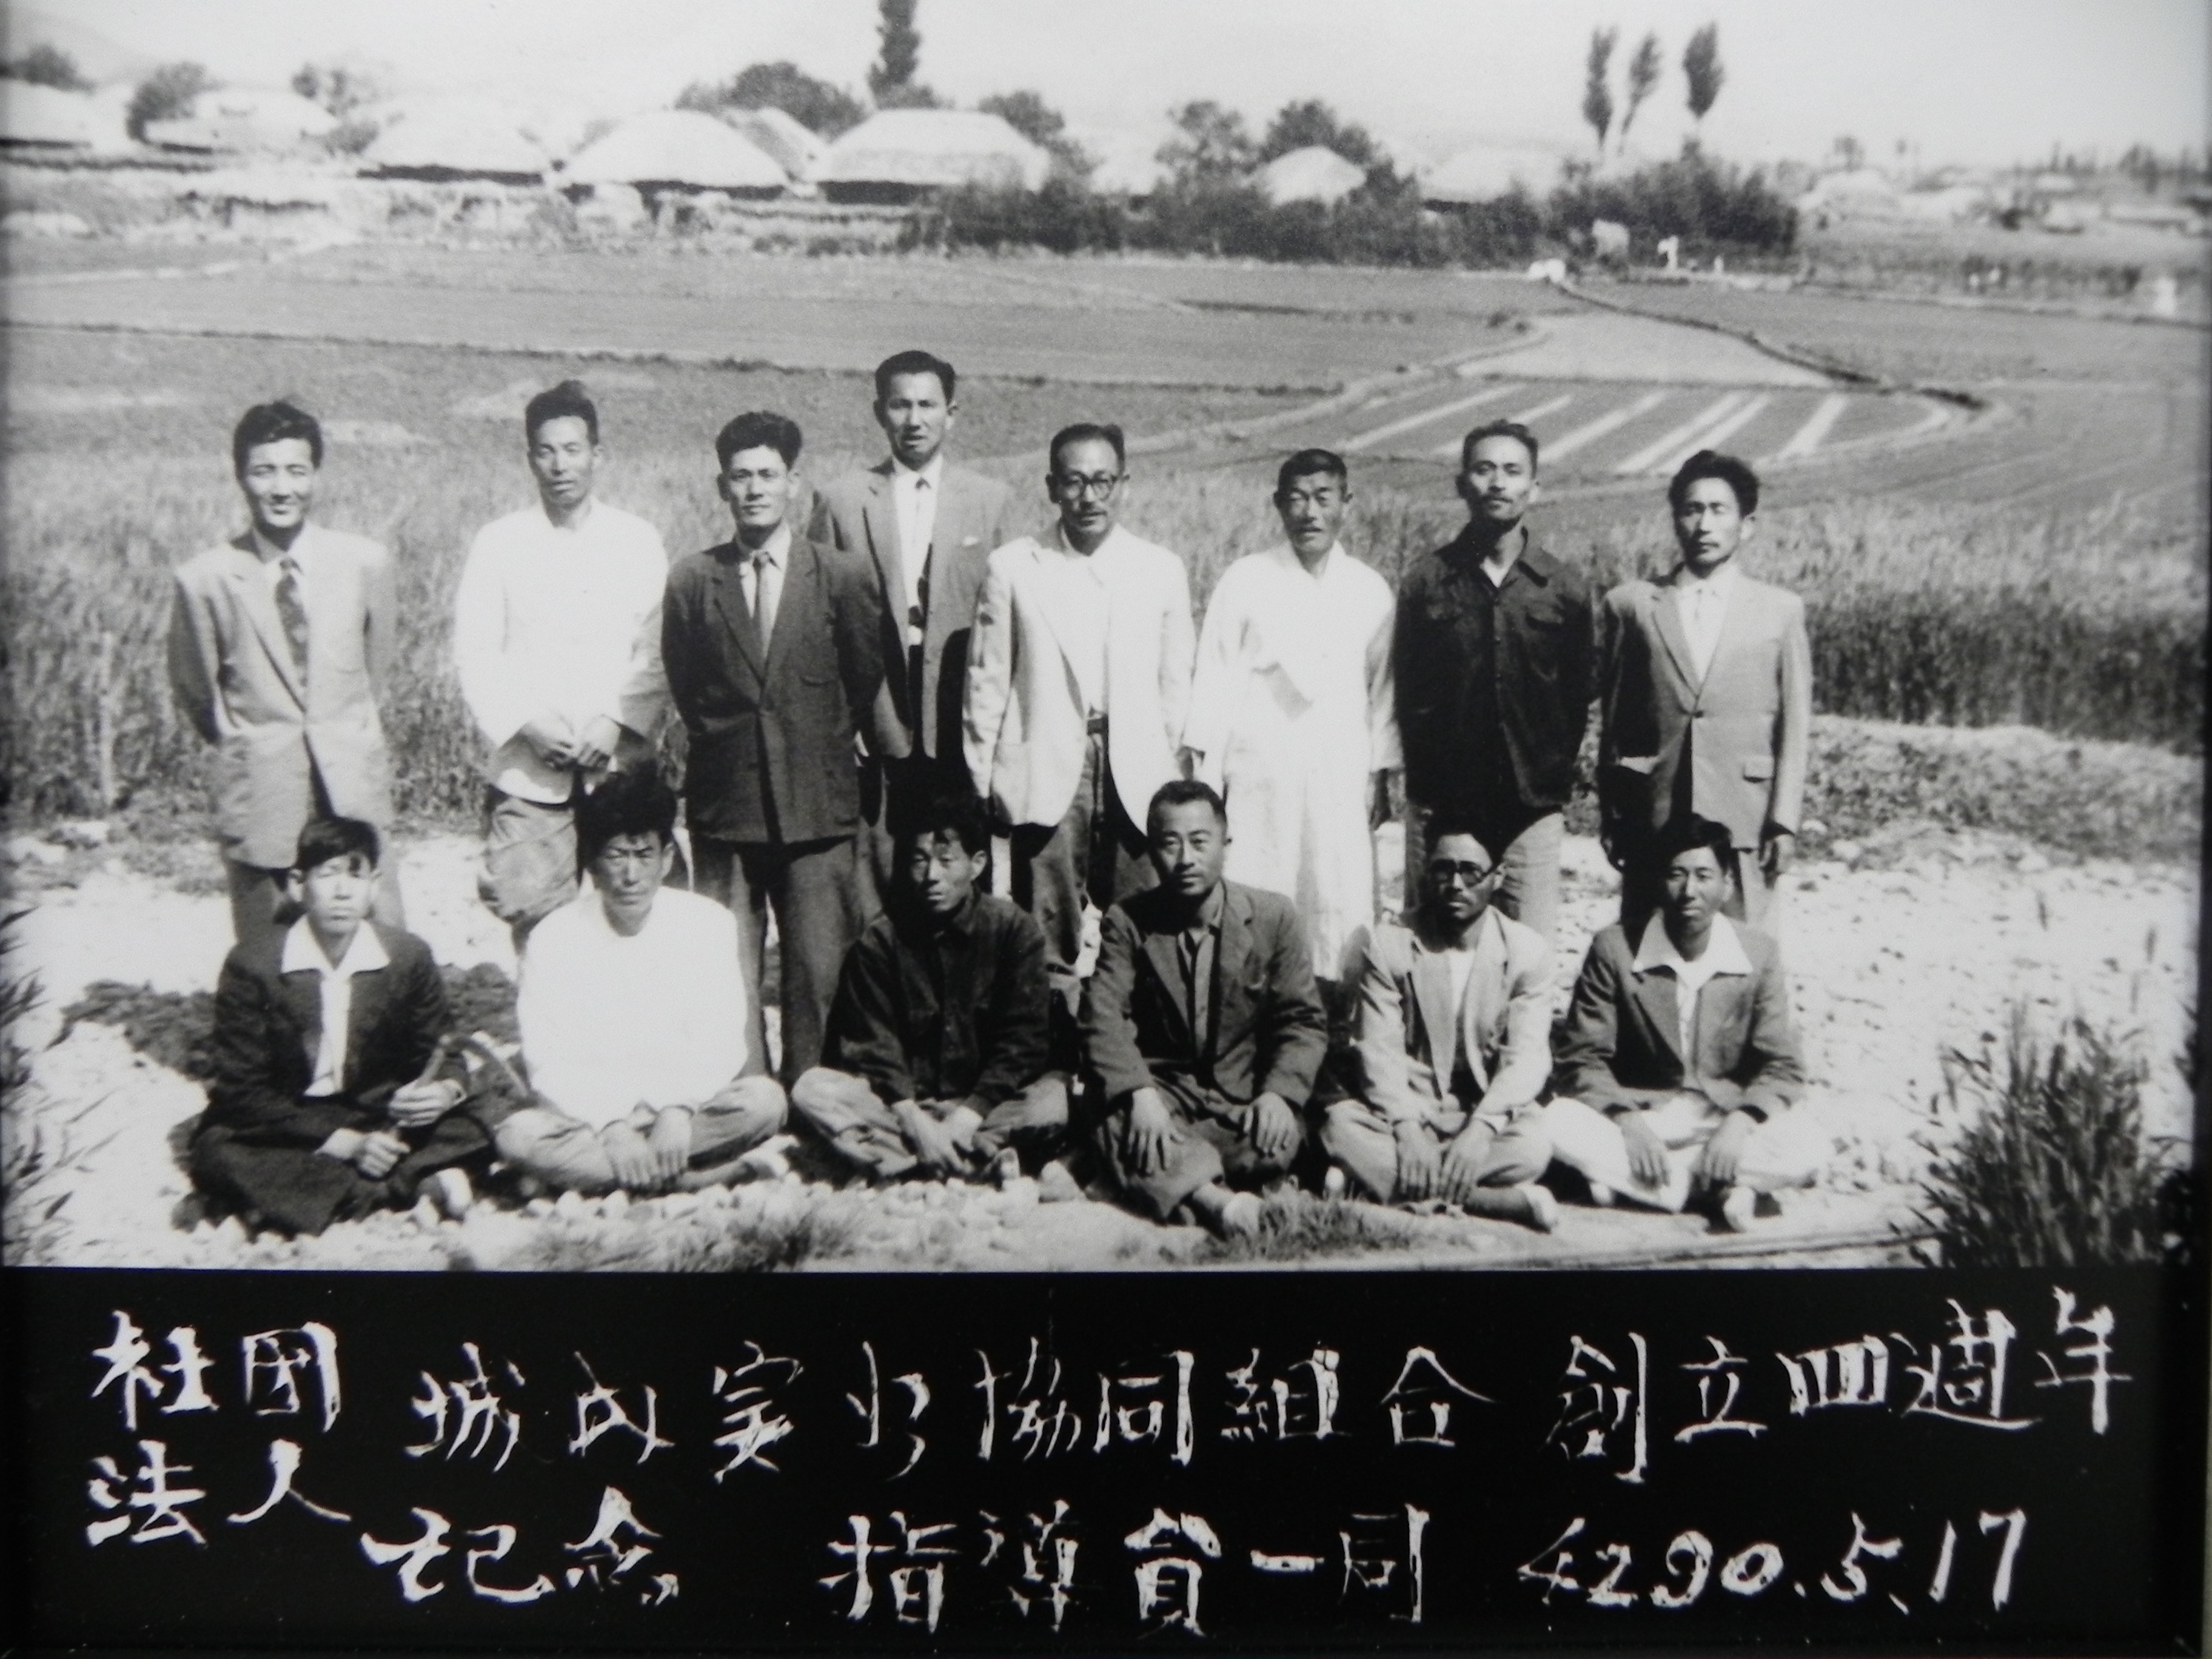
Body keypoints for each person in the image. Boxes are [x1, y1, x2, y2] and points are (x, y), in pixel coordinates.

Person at [662, 411, 891, 1082]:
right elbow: (688, 685)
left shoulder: (841, 576)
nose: (755, 489)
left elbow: (862, 679)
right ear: (722, 487)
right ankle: (747, 1091)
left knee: (818, 966)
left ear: (794, 482)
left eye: (768, 474)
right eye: (741, 477)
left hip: (816, 805)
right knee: (728, 962)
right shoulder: (693, 580)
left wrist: (810, 740)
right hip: (727, 806)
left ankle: (811, 1090)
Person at [964, 422, 1196, 1013]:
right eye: (1073, 482)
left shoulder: (1160, 568)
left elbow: (1176, 683)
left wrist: (1167, 768)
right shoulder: (1014, 566)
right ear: (1052, 488)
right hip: (1045, 767)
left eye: (1102, 482)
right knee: (1045, 926)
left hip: (1135, 770)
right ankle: (1053, 1046)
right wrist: (984, 776)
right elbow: (988, 678)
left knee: (1144, 919)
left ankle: (1132, 1043)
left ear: (1124, 484)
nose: (1089, 497)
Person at [169, 401, 407, 957]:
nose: (282, 489)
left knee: (380, 944)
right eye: (264, 471)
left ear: (316, 475)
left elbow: (374, 671)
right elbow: (197, 692)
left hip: (349, 781)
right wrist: (255, 744)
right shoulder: (205, 580)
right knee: (268, 953)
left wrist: (338, 729)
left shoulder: (365, 564)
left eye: (297, 471)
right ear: (240, 477)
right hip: (262, 791)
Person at [452, 379, 671, 950]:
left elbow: (657, 649)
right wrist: (529, 724)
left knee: (632, 915)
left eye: (573, 450)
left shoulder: (636, 539)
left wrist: (614, 723)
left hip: (619, 767)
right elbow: (476, 652)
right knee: (536, 921)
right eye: (546, 451)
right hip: (531, 771)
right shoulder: (499, 542)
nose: (560, 465)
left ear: (598, 455)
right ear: (530, 459)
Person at [497, 771, 789, 1195]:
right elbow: (549, 1057)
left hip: (686, 1115)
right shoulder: (553, 937)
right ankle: (698, 1177)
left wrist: (678, 1108)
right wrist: (612, 1126)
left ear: (667, 859)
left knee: (765, 1102)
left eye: (643, 855)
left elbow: (720, 1035)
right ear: (592, 864)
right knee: (517, 1135)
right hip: (593, 1122)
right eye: (616, 856)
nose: (631, 875)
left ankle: (606, 1177)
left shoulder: (708, 924)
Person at [192, 817, 486, 1235]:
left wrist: (440, 1093)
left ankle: (313, 1196)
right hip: (292, 1121)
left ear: (374, 886)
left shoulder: (407, 956)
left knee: (482, 1116)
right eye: (328, 875)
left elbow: (443, 1053)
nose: (343, 892)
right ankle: (404, 1184)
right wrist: (346, 1144)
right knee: (217, 1151)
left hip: (377, 1113)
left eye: (356, 875)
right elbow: (242, 1090)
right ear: (298, 884)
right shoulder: (253, 964)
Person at [1541, 814, 1829, 1229]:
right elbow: (1580, 1057)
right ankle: (1716, 1188)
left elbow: (1783, 1065)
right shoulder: (1615, 948)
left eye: (1704, 876)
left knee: (1811, 1144)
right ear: (1659, 882)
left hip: (1721, 1117)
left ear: (1727, 884)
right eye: (1676, 875)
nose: (1689, 891)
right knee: (1554, 1121)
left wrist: (1739, 1124)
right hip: (1643, 1115)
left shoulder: (1758, 953)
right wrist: (1629, 1123)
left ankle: (1650, 1185)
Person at [1181, 449, 1398, 986]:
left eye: (1323, 498)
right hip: (1260, 767)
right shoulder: (1246, 579)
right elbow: (1213, 675)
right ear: (1279, 505)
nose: (1310, 513)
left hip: (1339, 765)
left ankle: (1334, 1012)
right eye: (1297, 499)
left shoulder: (1368, 589)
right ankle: (1249, 1005)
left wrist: (1380, 773)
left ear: (1347, 503)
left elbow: (1384, 690)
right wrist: (1208, 775)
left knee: (1336, 888)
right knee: (1259, 876)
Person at [809, 350, 1017, 905]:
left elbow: (1007, 622)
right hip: (878, 707)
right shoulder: (842, 501)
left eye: (928, 405)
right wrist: (844, 714)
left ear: (952, 413)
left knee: (958, 854)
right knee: (878, 859)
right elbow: (817, 621)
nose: (915, 420)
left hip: (960, 707)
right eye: (901, 405)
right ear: (880, 412)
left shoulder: (992, 501)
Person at [1081, 780, 1327, 1238]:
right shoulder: (1128, 920)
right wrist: (1140, 1093)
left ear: (1225, 844)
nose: (1185, 859)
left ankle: (1154, 1179)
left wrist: (1279, 1095)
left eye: (1199, 842)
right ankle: (1221, 1204)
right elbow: (1103, 1015)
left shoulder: (1274, 916)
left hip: (1242, 1101)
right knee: (1121, 1119)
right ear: (1151, 851)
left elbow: (1303, 1021)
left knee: (1277, 1140)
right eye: (1169, 844)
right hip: (1164, 1094)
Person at [791, 786, 1067, 1184]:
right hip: (906, 1108)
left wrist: (967, 1116)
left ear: (977, 864)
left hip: (986, 1106)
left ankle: (911, 1160)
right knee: (813, 1089)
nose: (931, 876)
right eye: (920, 860)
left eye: (946, 860)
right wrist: (916, 1122)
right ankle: (974, 1160)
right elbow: (874, 1046)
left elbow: (1023, 1043)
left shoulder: (1014, 931)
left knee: (1052, 1102)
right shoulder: (881, 941)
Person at [1393, 419, 1595, 943]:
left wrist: (1547, 771)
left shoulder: (1564, 587)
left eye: (1512, 471)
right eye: (1484, 470)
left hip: (1529, 809)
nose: (1498, 483)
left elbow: (1577, 695)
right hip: (1441, 803)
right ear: (1462, 484)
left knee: (1528, 953)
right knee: (1427, 952)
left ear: (1535, 486)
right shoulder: (1426, 582)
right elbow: (1407, 691)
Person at [1597, 449, 1811, 933]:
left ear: (1747, 524)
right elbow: (1617, 725)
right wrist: (1615, 813)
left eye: (1719, 510)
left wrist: (1784, 821)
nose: (1704, 525)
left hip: (1746, 813)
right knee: (1646, 943)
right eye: (1692, 510)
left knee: (1746, 947)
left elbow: (1795, 725)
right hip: (1655, 812)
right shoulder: (1632, 605)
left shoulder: (1780, 611)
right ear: (1675, 520)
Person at [1322, 826, 1558, 1231]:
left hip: (1478, 1112)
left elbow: (1526, 1059)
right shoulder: (1391, 943)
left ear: (1498, 877)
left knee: (1533, 1146)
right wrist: (1407, 1130)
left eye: (1471, 872)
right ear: (1426, 873)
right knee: (1340, 1127)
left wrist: (1480, 1131)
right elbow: (1379, 1051)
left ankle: (1380, 1184)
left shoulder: (1527, 952)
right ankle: (1498, 1202)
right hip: (1407, 1110)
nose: (1456, 884)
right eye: (1443, 870)